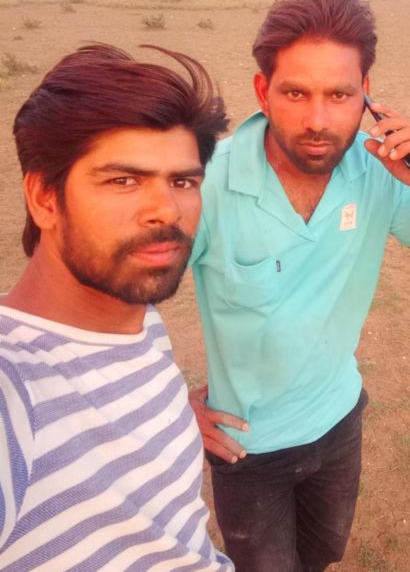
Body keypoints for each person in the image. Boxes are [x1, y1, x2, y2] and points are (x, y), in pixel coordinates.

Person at [189, 0, 410, 572]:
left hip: (340, 417)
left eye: (339, 95)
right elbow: (114, 304)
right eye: (295, 92)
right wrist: (170, 403)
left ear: (366, 93)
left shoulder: (377, 171)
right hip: (247, 446)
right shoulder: (207, 183)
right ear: (263, 92)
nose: (318, 121)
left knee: (323, 554)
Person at [0, 44, 234, 571]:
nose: (166, 210)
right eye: (123, 180)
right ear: (44, 198)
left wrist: (171, 412)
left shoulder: (135, 312)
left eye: (182, 181)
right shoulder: (16, 389)